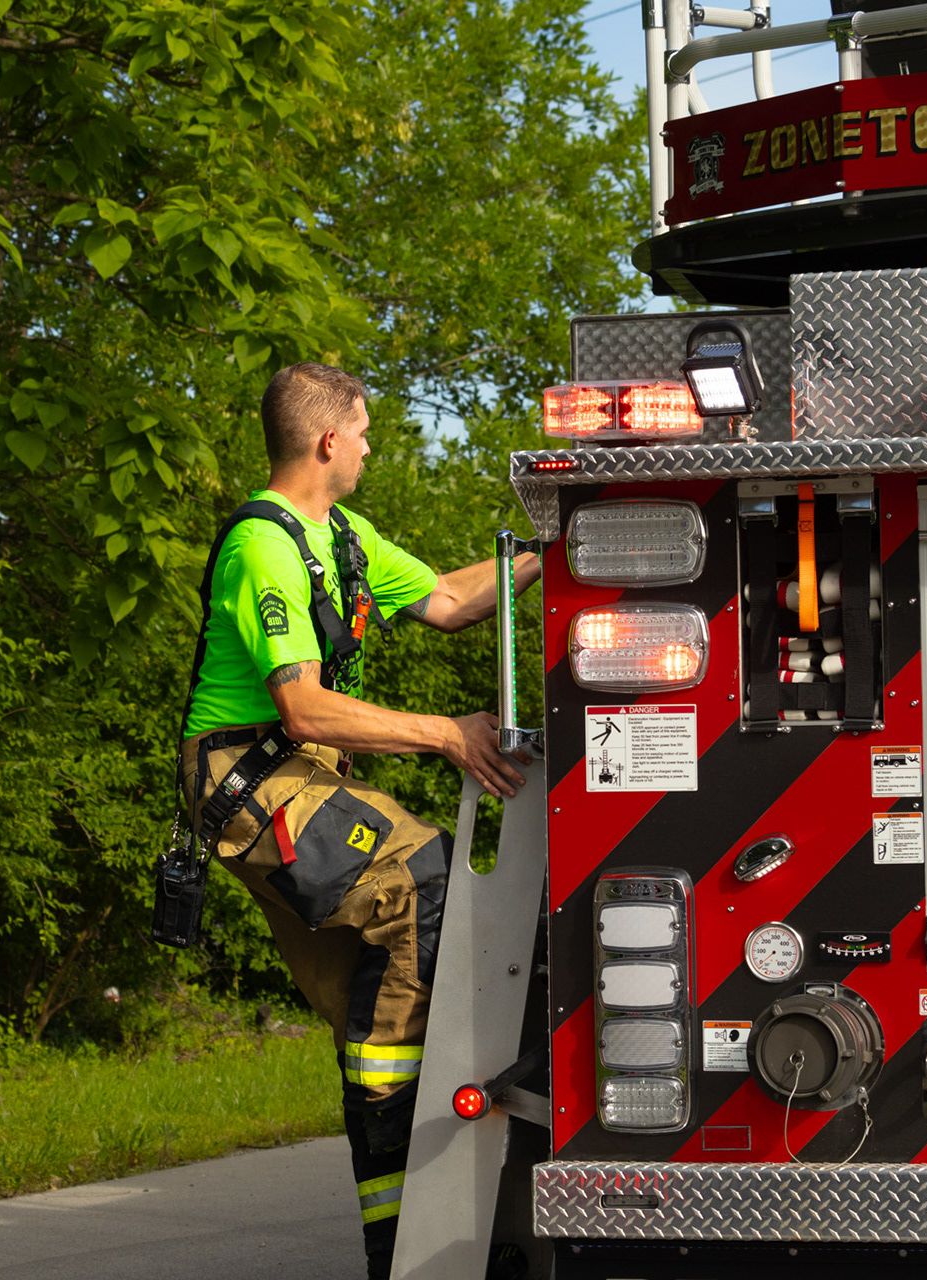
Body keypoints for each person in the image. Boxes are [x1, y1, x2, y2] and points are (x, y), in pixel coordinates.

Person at [179, 362, 538, 1279]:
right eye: (367, 431)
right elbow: (300, 710)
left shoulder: (340, 536)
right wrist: (449, 736)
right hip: (253, 776)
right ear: (327, 440)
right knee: (424, 881)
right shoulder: (263, 547)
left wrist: (560, 546)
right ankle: (403, 1119)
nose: (374, 445)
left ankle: (404, 1220)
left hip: (300, 774)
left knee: (369, 984)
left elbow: (453, 602)